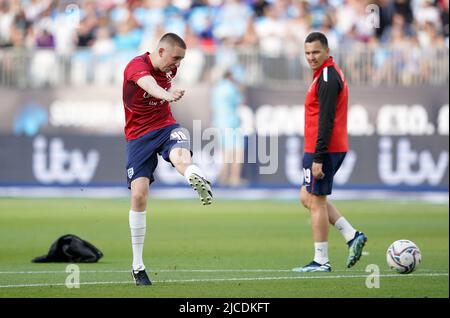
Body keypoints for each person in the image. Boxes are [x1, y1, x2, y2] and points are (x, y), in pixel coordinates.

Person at [122, 33, 213, 285]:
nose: (178, 64)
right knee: (139, 195)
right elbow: (149, 86)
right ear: (160, 51)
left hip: (165, 126)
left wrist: (171, 91)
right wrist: (166, 94)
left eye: (182, 59)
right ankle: (137, 266)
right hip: (138, 136)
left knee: (180, 155)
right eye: (176, 58)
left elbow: (161, 86)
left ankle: (194, 173)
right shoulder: (136, 66)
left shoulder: (170, 69)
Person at [292, 32, 367, 273]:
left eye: (315, 52)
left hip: (323, 148)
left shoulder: (327, 76)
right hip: (321, 147)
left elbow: (326, 120)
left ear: (326, 51)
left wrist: (318, 157)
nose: (311, 57)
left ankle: (321, 260)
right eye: (307, 53)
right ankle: (351, 234)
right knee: (307, 197)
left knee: (316, 201)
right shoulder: (324, 74)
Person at [211, 68, 245, 187]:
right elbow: (240, 102)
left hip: (220, 123)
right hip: (231, 123)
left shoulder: (217, 88)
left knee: (226, 152)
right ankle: (233, 178)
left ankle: (223, 177)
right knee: (236, 151)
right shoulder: (231, 88)